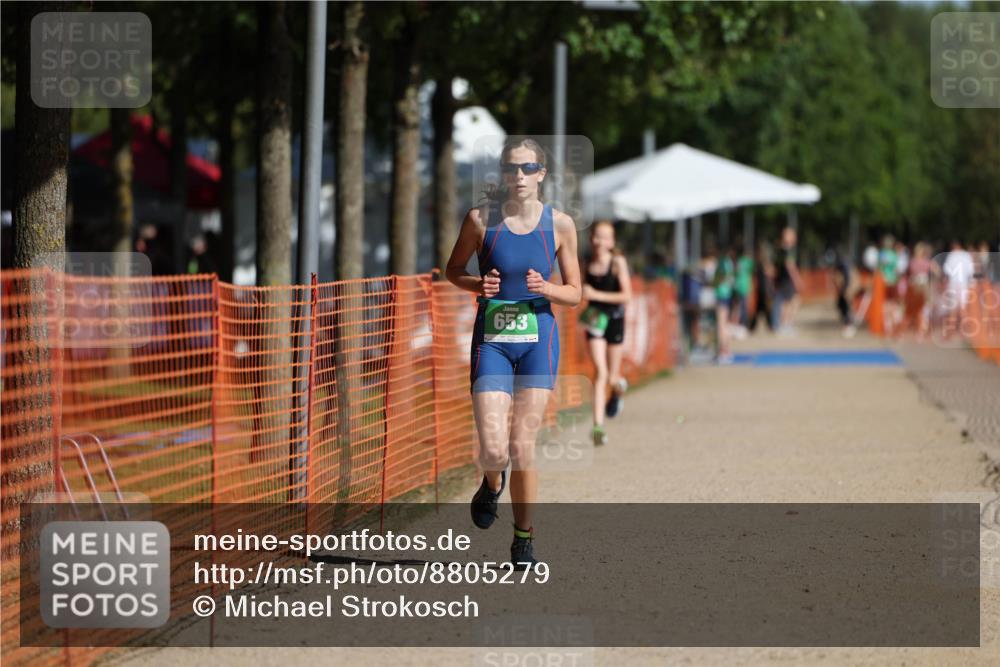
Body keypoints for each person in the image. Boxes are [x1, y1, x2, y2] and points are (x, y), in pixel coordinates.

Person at [445, 137, 581, 569]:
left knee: (522, 444)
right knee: (493, 448)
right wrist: (475, 285)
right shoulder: (480, 221)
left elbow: (575, 292)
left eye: (527, 169)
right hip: (494, 342)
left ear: (542, 173)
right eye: (511, 169)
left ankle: (523, 538)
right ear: (502, 174)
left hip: (538, 341)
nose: (518, 177)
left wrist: (548, 289)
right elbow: (454, 270)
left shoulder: (560, 225)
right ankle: (491, 482)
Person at [580, 221, 632, 446]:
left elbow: (626, 295)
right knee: (599, 372)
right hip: (594, 321)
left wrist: (596, 294)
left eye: (604, 237)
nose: (598, 241)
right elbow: (580, 289)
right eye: (595, 236)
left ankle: (618, 390)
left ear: (611, 242)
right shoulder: (586, 263)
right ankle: (598, 426)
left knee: (612, 376)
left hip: (615, 320)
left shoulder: (617, 262)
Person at [941, 240, 975, 341]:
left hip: (953, 284)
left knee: (953, 309)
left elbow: (946, 270)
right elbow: (971, 271)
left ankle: (950, 333)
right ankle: (967, 332)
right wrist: (971, 284)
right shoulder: (966, 255)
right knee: (962, 308)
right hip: (963, 284)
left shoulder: (952, 255)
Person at [772, 227, 802, 334]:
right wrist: (797, 280)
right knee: (791, 303)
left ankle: (785, 324)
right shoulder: (788, 251)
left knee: (786, 303)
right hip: (787, 281)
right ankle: (786, 325)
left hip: (781, 280)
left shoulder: (779, 250)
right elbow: (790, 267)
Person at [714, 245, 735, 363]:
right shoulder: (729, 262)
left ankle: (723, 351)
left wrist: (713, 283)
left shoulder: (722, 262)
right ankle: (726, 350)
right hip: (726, 295)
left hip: (722, 295)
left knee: (721, 325)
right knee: (724, 324)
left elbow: (720, 278)